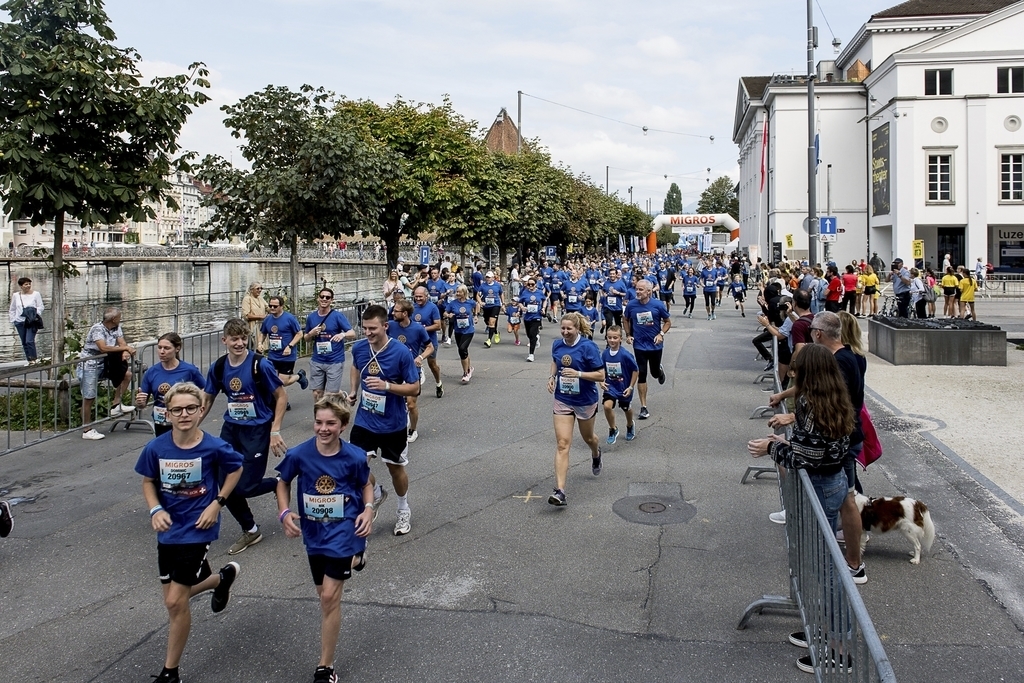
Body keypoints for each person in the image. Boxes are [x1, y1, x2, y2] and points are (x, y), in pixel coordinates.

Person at [134, 382, 244, 683]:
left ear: (201, 411)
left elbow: (235, 468)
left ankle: (170, 673)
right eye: (177, 410)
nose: (184, 414)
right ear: (167, 414)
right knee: (173, 598)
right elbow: (147, 482)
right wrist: (156, 509)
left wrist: (217, 504)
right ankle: (221, 579)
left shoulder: (213, 447)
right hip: (168, 530)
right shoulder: (156, 448)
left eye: (191, 408)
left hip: (197, 529)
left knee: (173, 602)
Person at [275, 396, 374, 683]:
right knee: (323, 594)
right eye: (319, 422)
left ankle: (325, 667)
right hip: (314, 533)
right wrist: (284, 513)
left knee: (329, 597)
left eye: (331, 423)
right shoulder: (299, 454)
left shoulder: (355, 456)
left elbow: (366, 484)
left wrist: (367, 510)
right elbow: (282, 482)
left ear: (343, 425)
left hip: (344, 531)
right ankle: (358, 557)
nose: (323, 428)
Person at [200, 318, 288, 555]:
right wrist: (190, 426)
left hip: (257, 429)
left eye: (243, 338)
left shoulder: (260, 365)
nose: (240, 343)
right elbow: (207, 398)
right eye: (234, 339)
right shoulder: (218, 367)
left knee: (245, 486)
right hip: (231, 430)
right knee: (224, 486)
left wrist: (275, 430)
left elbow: (281, 397)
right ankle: (250, 529)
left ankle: (279, 482)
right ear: (224, 340)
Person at [346, 304, 420, 536]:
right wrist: (353, 391)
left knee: (395, 469)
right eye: (364, 328)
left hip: (393, 423)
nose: (367, 333)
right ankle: (376, 493)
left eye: (373, 329)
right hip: (365, 420)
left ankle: (403, 508)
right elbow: (356, 368)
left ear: (385, 326)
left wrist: (386, 386)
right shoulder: (359, 348)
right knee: (354, 465)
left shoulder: (400, 352)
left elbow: (415, 388)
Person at [547, 312, 605, 507]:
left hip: (585, 400)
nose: (565, 332)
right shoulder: (557, 345)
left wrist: (578, 374)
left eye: (569, 328)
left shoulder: (588, 347)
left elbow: (601, 375)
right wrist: (552, 377)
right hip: (563, 398)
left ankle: (596, 453)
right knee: (563, 443)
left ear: (577, 329)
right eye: (562, 328)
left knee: (589, 438)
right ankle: (560, 491)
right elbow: (555, 362)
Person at [80, 307, 136, 440]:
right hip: (91, 363)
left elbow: (122, 342)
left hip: (107, 361)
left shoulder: (117, 327)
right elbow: (103, 347)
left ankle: (116, 404)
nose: (121, 318)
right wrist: (125, 348)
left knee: (126, 375)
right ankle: (86, 429)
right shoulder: (97, 329)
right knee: (89, 396)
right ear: (113, 319)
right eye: (119, 317)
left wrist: (125, 350)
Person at [136, 332, 206, 437]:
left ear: (177, 348)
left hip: (183, 419)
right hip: (161, 421)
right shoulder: (152, 372)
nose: (162, 352)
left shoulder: (189, 370)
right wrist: (140, 402)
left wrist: (197, 410)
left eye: (166, 348)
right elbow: (142, 402)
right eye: (159, 348)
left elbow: (205, 390)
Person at [623, 279, 670, 420]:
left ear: (649, 291)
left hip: (655, 345)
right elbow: (625, 319)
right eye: (636, 289)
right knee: (641, 373)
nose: (637, 292)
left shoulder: (657, 305)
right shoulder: (631, 305)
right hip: (639, 346)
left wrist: (661, 334)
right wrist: (628, 335)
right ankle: (644, 407)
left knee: (654, 373)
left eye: (641, 290)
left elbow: (667, 322)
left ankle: (659, 371)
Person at [387, 299, 433, 443]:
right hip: (394, 370)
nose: (393, 313)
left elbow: (430, 347)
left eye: (396, 311)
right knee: (394, 401)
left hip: (412, 369)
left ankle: (413, 430)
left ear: (405, 313)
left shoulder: (418, 329)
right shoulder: (390, 326)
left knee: (411, 404)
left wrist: (420, 357)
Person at [302, 288, 356, 403]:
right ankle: (320, 419)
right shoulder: (311, 317)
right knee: (317, 393)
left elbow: (352, 334)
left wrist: (342, 334)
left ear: (332, 300)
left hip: (334, 360)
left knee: (331, 394)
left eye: (327, 297)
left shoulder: (337, 316)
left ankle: (339, 397)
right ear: (318, 298)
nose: (324, 299)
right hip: (317, 359)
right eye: (322, 296)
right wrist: (311, 333)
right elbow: (306, 338)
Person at [260, 295, 310, 393]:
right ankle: (282, 402)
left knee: (283, 381)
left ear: (282, 306)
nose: (272, 308)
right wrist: (259, 343)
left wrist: (290, 346)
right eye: (270, 306)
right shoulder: (267, 319)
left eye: (275, 306)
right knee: (273, 381)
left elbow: (299, 334)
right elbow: (263, 333)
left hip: (287, 355)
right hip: (273, 355)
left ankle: (299, 376)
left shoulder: (289, 318)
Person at [600, 325, 638, 445]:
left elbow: (635, 370)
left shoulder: (625, 355)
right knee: (607, 406)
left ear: (620, 339)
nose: (612, 340)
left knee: (626, 408)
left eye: (615, 338)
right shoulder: (605, 354)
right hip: (610, 386)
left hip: (624, 387)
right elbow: (602, 370)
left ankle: (630, 424)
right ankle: (613, 429)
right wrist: (601, 381)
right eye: (609, 337)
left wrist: (631, 387)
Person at [411, 285, 444, 398]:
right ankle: (417, 385)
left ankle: (438, 383)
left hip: (429, 341)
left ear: (426, 296)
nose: (418, 299)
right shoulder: (412, 307)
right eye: (416, 297)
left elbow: (438, 326)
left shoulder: (432, 307)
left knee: (432, 365)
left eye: (420, 297)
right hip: (416, 342)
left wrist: (422, 329)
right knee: (414, 362)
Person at [444, 285, 478, 384]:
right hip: (458, 330)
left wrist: (475, 316)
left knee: (462, 349)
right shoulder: (453, 303)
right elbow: (445, 313)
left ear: (464, 293)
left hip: (469, 330)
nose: (457, 294)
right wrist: (448, 315)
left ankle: (466, 373)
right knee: (463, 351)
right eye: (457, 292)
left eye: (459, 292)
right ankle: (469, 368)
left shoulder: (470, 302)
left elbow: (477, 305)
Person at [9, 276, 44, 363]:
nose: (28, 286)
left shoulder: (36, 294)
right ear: (21, 286)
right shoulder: (16, 295)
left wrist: (35, 314)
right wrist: (13, 320)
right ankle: (30, 361)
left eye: (29, 284)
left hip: (31, 321)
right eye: (26, 284)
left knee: (29, 341)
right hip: (19, 322)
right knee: (24, 342)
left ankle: (34, 359)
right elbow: (12, 309)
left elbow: (41, 306)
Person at [518, 276, 545, 362]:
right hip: (527, 316)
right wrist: (522, 307)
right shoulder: (525, 293)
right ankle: (536, 338)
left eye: (532, 284)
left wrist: (543, 308)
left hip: (536, 316)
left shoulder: (539, 293)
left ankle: (531, 354)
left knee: (532, 334)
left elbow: (544, 300)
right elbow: (520, 302)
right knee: (529, 334)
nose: (530, 286)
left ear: (535, 285)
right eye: (529, 284)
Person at [476, 271, 504, 348]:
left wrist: (503, 303)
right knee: (487, 321)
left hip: (495, 305)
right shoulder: (483, 285)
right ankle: (496, 332)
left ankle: (489, 340)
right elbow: (478, 295)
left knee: (492, 322)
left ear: (493, 278)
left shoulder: (497, 285)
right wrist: (480, 302)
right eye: (487, 277)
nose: (487, 279)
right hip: (486, 306)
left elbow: (501, 293)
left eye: (489, 277)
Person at [241, 282, 268, 351]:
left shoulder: (260, 298)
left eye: (261, 288)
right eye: (257, 288)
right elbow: (246, 315)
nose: (260, 290)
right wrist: (260, 316)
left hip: (262, 324)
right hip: (252, 325)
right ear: (252, 290)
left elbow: (268, 307)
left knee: (263, 345)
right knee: (254, 346)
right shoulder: (247, 299)